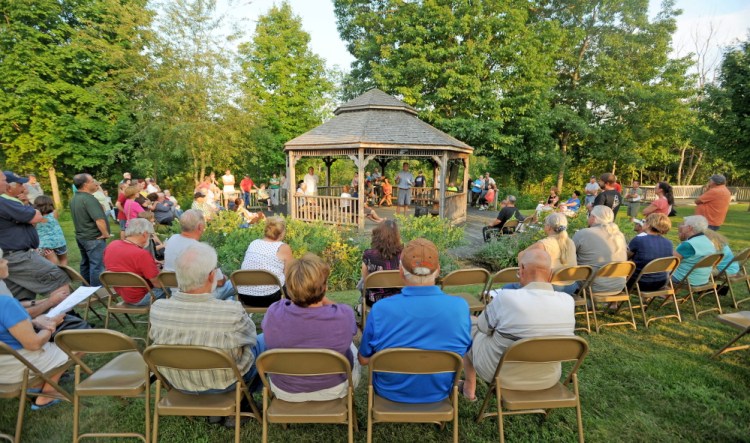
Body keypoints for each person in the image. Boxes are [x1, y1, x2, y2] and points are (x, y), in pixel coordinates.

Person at [149, 242, 263, 428]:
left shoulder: (158, 309)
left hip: (179, 382)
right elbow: (249, 339)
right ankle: (243, 402)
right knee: (262, 342)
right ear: (212, 276)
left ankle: (228, 407)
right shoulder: (231, 311)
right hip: (225, 382)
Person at [358, 238, 472, 403]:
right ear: (438, 270)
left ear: (401, 271)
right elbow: (463, 351)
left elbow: (363, 359)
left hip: (388, 390)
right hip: (440, 390)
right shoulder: (460, 308)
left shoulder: (380, 309)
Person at [460, 249, 575, 401]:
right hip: (548, 378)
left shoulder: (506, 297)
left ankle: (469, 387)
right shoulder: (567, 301)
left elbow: (483, 327)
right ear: (551, 274)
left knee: (467, 325)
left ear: (521, 269)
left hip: (500, 374)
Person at [262, 253, 359, 401]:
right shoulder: (343, 314)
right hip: (334, 388)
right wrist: (318, 294)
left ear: (288, 288)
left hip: (285, 390)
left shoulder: (274, 312)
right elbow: (349, 328)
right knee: (351, 345)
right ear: (325, 287)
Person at [0, 293, 68, 410]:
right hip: (16, 372)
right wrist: (51, 325)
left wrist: (33, 322)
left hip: (4, 371)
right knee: (71, 343)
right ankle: (48, 393)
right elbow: (34, 344)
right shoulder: (5, 303)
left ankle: (37, 386)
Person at [163, 210, 235, 300]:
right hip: (199, 296)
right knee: (234, 284)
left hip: (175, 293)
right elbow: (219, 282)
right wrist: (224, 277)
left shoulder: (172, 239)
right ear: (200, 227)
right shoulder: (200, 250)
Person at [103, 218, 166, 306]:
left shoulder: (111, 245)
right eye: (150, 236)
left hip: (124, 295)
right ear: (144, 234)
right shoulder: (142, 254)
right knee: (172, 287)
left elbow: (122, 264)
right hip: (142, 297)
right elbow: (157, 284)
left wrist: (149, 265)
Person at [237, 217, 293, 308]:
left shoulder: (253, 243)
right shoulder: (283, 247)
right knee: (294, 283)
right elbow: (289, 275)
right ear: (282, 233)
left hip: (245, 296)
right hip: (270, 297)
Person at [69, 173, 112, 287]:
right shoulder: (88, 199)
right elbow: (99, 220)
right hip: (94, 237)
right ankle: (97, 290)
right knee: (97, 265)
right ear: (86, 184)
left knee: (86, 263)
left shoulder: (74, 198)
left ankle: (86, 287)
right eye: (93, 181)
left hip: (82, 236)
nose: (95, 183)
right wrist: (105, 234)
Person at [573, 205, 628, 293]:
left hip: (592, 286)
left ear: (594, 218)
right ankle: (613, 303)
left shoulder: (584, 233)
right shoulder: (619, 235)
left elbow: (569, 254)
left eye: (589, 215)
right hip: (618, 285)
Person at [360, 220, 403, 306]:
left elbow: (366, 281)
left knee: (361, 282)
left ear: (377, 235)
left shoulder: (368, 255)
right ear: (397, 236)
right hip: (399, 301)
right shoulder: (404, 255)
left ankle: (361, 308)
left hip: (375, 301)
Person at [626, 213, 674, 290]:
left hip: (640, 282)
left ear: (648, 225)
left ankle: (613, 299)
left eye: (645, 221)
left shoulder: (639, 240)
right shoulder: (669, 243)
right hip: (661, 282)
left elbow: (625, 257)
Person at [672, 215, 718, 286]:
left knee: (654, 273)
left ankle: (665, 294)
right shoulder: (709, 242)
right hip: (702, 279)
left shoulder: (689, 245)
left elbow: (671, 262)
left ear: (689, 228)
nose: (682, 226)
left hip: (684, 278)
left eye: (684, 225)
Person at [33, 195, 68, 266]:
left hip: (44, 245)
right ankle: (65, 274)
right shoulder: (55, 213)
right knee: (63, 259)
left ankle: (57, 274)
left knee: (48, 265)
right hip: (59, 242)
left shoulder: (35, 217)